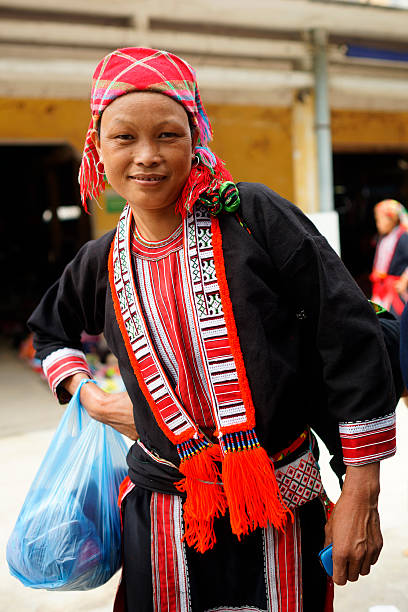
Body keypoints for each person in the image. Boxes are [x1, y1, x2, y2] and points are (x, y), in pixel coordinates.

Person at [28, 47, 397, 612]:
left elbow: (348, 335)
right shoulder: (99, 260)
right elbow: (50, 333)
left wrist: (361, 489)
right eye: (124, 137)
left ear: (196, 138)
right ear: (96, 149)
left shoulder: (253, 217)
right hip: (162, 513)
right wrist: (93, 398)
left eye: (168, 135)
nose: (146, 156)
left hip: (282, 503)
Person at [371, 198, 408, 318]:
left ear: (392, 219)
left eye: (380, 220)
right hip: (382, 289)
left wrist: (404, 280)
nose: (378, 224)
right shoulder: (383, 237)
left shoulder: (402, 237)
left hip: (395, 291)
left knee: (395, 320)